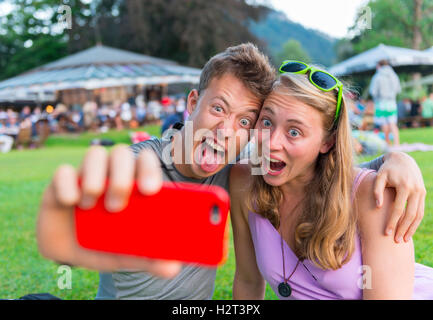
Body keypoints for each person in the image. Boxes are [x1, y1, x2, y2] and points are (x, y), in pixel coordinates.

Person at [36, 44, 426, 300]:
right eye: (218, 109)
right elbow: (76, 234)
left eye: (245, 121)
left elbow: (337, 172)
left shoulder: (239, 172)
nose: (226, 132)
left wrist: (398, 159)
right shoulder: (145, 167)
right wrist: (72, 226)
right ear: (193, 102)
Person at [230, 62, 432, 300]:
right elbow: (248, 280)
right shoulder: (244, 180)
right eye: (266, 122)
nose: (272, 142)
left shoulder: (373, 195)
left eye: (294, 132)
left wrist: (400, 157)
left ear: (327, 142)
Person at [369, 60, 401, 146]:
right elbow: (398, 89)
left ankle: (388, 143)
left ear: (379, 66)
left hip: (381, 103)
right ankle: (397, 143)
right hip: (392, 103)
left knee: (384, 123)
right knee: (392, 123)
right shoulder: (394, 75)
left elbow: (373, 91)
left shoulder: (377, 76)